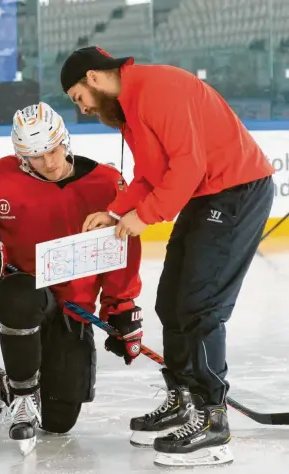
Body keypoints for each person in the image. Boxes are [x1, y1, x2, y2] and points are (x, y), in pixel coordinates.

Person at [59, 46, 275, 467]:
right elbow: (151, 175)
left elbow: (188, 167)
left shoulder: (156, 89)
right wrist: (117, 210)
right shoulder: (129, 108)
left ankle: (213, 420)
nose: (82, 108)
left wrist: (147, 215)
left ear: (94, 77)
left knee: (200, 307)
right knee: (171, 302)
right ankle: (184, 400)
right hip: (208, 194)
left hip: (236, 191)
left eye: (77, 97)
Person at [0, 102, 142, 455]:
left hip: (73, 309)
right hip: (23, 294)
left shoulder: (106, 184)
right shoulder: (2, 177)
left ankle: (2, 384)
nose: (49, 162)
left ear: (66, 139)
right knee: (21, 296)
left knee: (58, 422)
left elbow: (123, 250)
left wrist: (121, 307)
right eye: (35, 156)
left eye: (54, 148)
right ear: (21, 157)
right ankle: (21, 394)